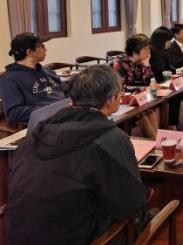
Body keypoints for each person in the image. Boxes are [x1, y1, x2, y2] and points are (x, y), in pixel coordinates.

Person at [5, 65, 147, 244]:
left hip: (17, 235)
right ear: (111, 100)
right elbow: (130, 203)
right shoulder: (110, 138)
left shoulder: (35, 134)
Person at [0, 32, 66, 124]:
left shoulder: (46, 70)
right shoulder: (10, 79)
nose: (45, 49)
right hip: (47, 123)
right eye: (42, 46)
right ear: (29, 52)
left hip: (66, 114)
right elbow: (14, 113)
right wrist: (51, 110)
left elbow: (65, 90)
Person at [111, 34, 158, 137]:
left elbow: (150, 82)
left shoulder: (140, 62)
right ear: (135, 51)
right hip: (118, 101)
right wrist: (143, 89)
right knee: (142, 116)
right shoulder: (119, 63)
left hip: (135, 99)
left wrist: (146, 65)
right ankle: (154, 143)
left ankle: (156, 141)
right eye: (145, 48)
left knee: (150, 111)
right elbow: (121, 88)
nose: (148, 51)